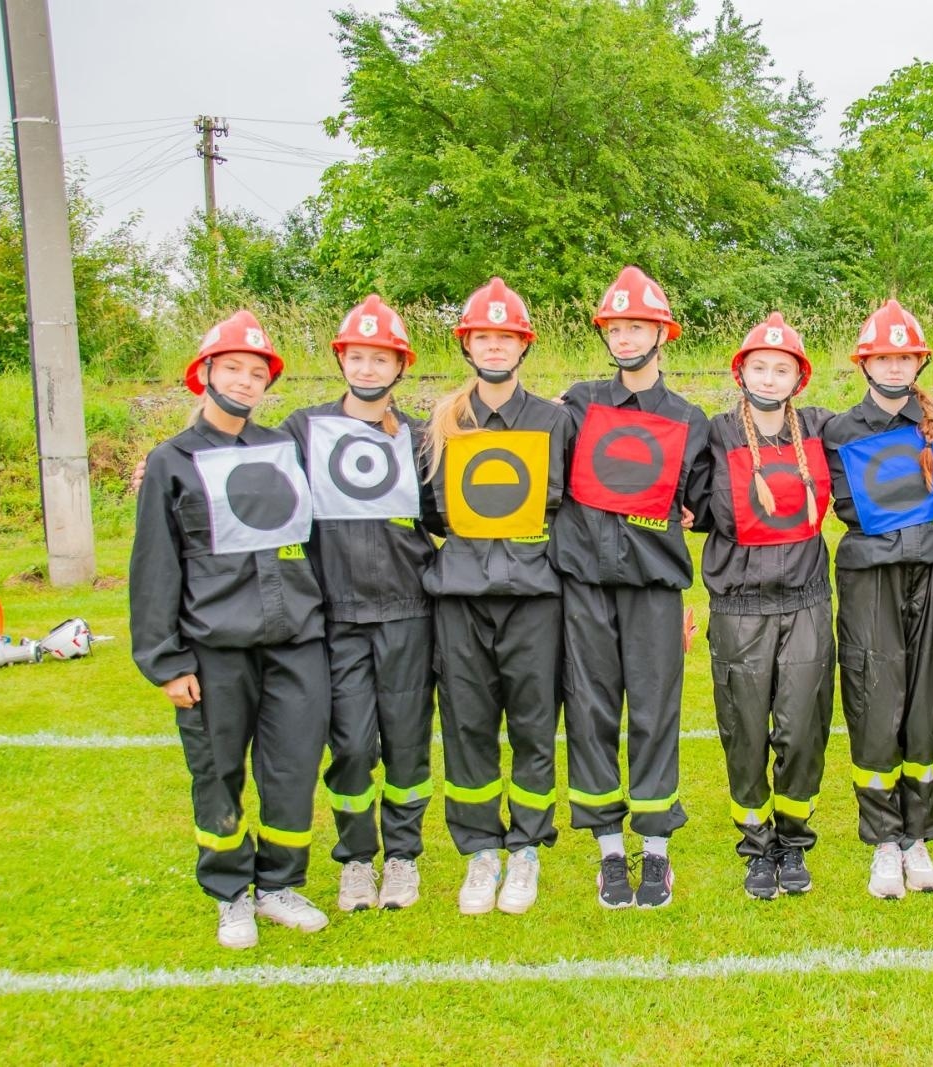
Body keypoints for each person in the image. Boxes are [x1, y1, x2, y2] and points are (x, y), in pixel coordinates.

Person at [130, 311, 331, 949]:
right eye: (233, 369)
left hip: (295, 639)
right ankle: (229, 893)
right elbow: (154, 565)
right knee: (218, 772)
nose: (245, 382)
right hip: (214, 646)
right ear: (204, 373)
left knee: (293, 769)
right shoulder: (172, 461)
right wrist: (166, 659)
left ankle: (278, 885)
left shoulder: (283, 448)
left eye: (256, 373)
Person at [553, 265, 712, 909]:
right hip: (585, 584)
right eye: (615, 327)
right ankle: (609, 855)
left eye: (637, 326)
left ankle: (655, 852)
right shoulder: (578, 402)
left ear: (662, 332)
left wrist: (691, 511)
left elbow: (705, 502)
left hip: (652, 586)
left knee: (654, 714)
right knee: (590, 714)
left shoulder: (687, 417)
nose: (624, 337)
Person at [278, 295, 437, 914]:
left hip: (408, 613)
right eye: (358, 357)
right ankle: (355, 860)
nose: (368, 368)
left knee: (406, 743)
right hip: (336, 617)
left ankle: (402, 856)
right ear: (341, 359)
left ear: (401, 366)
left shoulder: (422, 437)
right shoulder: (302, 429)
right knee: (348, 746)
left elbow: (457, 511)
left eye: (381, 358)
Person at [420, 276, 572, 917]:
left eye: (506, 337)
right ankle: (481, 850)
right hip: (460, 596)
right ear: (468, 344)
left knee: (536, 723)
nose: (495, 347)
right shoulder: (444, 418)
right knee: (468, 724)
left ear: (523, 345)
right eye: (484, 336)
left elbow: (568, 502)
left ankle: (527, 850)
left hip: (535, 594)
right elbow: (431, 509)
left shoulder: (555, 418)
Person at [693, 313, 835, 900]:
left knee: (802, 728)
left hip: (805, 602)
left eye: (782, 369)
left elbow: (893, 420)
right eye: (760, 367)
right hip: (739, 606)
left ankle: (795, 839)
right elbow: (677, 485)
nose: (770, 378)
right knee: (744, 730)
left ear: (798, 378)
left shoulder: (824, 428)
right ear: (741, 371)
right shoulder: (715, 433)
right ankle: (756, 846)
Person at [823, 299, 933, 899]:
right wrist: (915, 530)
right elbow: (851, 509)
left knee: (925, 701)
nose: (896, 366)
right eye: (884, 356)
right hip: (871, 578)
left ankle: (917, 836)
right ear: (865, 363)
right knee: (875, 702)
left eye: (905, 356)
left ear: (919, 360)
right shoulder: (840, 430)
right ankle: (881, 839)